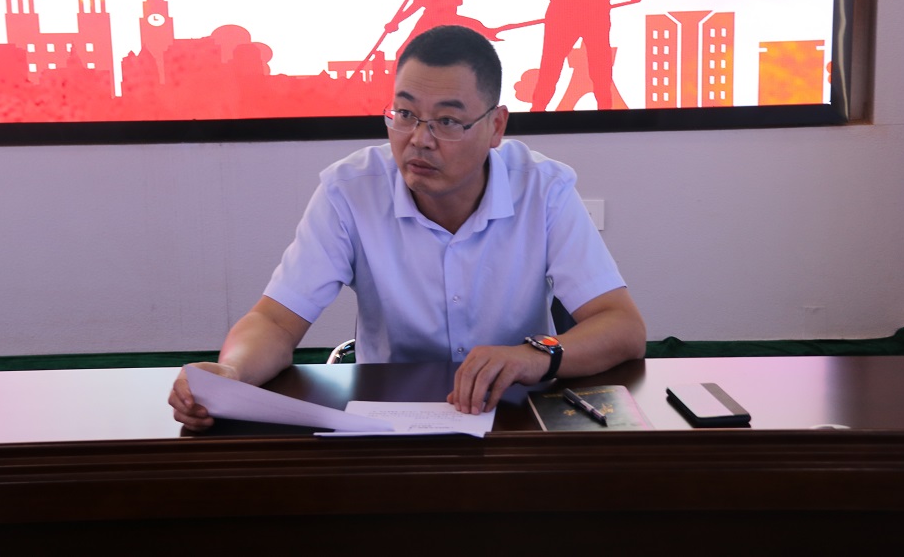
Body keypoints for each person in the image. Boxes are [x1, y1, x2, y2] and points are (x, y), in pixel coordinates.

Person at [169, 25, 645, 431]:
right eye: (405, 114)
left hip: (514, 418)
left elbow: (622, 327)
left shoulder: (544, 189)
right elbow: (275, 320)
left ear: (496, 126)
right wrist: (231, 372)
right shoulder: (350, 191)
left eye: (448, 120)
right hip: (388, 424)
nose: (419, 139)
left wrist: (534, 355)